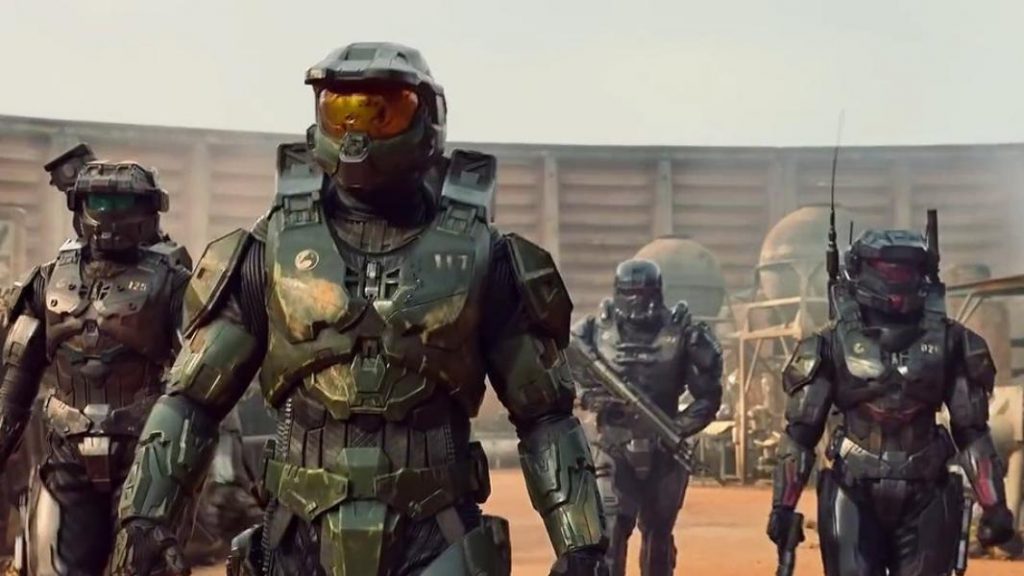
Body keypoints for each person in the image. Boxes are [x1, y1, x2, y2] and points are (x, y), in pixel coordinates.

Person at [111, 42, 607, 576]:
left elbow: (545, 415)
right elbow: (192, 401)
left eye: (382, 111)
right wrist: (145, 519)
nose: (357, 133)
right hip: (295, 544)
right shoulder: (268, 252)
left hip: (437, 542)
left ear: (429, 118)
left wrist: (582, 545)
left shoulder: (488, 257)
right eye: (340, 111)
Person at [767, 228, 1017, 575]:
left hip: (927, 492)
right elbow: (801, 432)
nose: (896, 279)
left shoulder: (953, 341)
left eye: (905, 269)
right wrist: (782, 507)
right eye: (887, 269)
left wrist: (994, 506)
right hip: (853, 490)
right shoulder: (829, 343)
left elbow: (971, 430)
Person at [0, 159, 192, 575]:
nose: (110, 215)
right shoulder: (47, 280)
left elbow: (199, 382)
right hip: (66, 455)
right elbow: (17, 378)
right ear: (79, 205)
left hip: (145, 456)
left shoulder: (173, 282)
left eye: (123, 203)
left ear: (150, 209)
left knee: (141, 564)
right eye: (100, 202)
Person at [573, 259, 723, 575]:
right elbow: (558, 375)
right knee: (610, 536)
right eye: (630, 292)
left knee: (658, 543)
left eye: (644, 292)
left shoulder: (683, 333)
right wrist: (588, 396)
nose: (637, 300)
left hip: (665, 449)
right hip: (613, 445)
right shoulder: (592, 331)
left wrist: (677, 429)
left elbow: (709, 396)